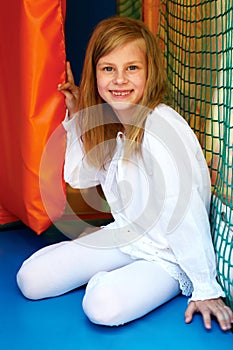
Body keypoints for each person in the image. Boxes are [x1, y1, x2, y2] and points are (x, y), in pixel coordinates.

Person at [17, 16, 233, 331]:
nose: (120, 79)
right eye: (108, 69)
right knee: (30, 279)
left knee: (101, 306)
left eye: (132, 68)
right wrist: (80, 116)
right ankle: (111, 272)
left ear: (149, 73)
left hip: (168, 255)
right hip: (128, 236)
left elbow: (182, 207)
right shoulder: (115, 125)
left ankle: (122, 280)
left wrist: (205, 285)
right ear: (95, 75)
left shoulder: (160, 126)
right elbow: (82, 178)